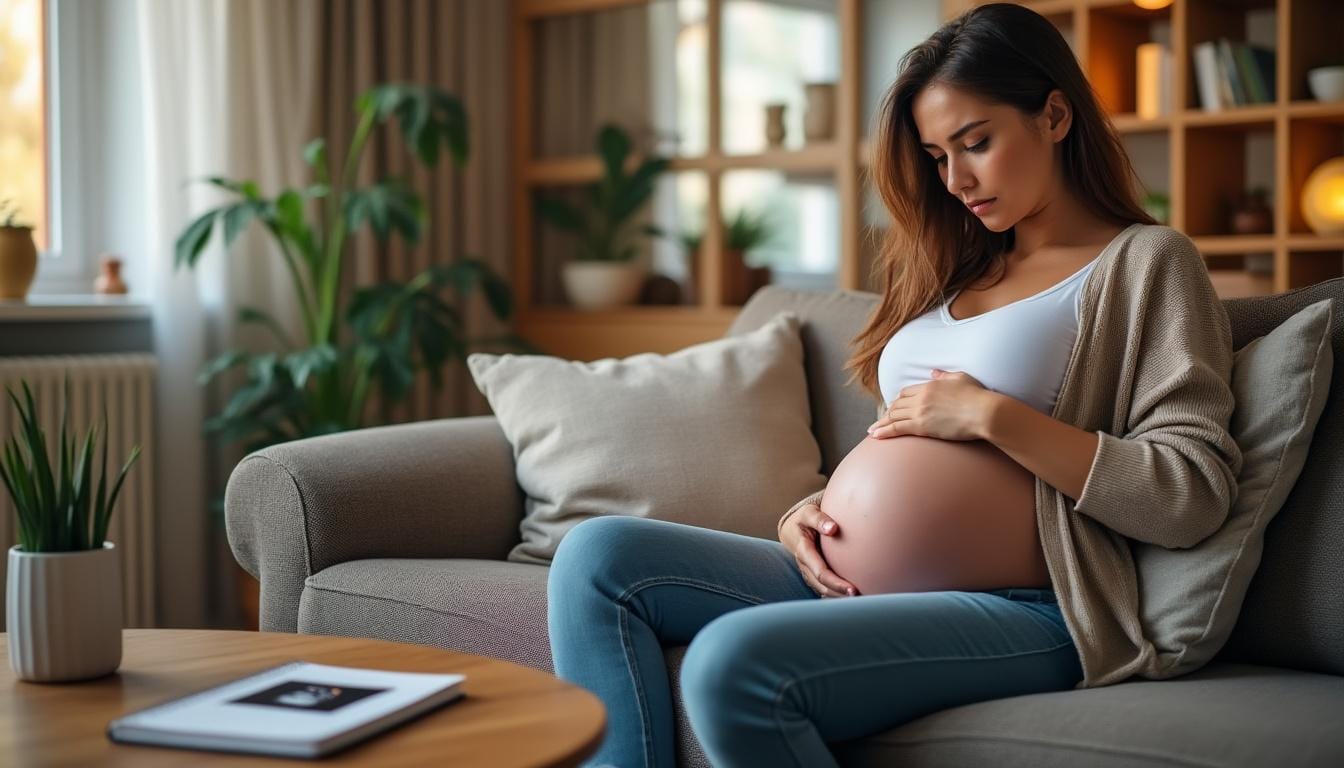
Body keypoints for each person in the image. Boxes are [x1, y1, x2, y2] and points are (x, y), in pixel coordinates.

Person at [546, 3, 1243, 767]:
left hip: (1029, 608)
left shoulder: (1146, 263)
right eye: (939, 156)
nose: (957, 180)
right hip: (845, 581)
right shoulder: (952, 271)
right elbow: (899, 446)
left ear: (1053, 115)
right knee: (596, 557)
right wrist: (808, 511)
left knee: (730, 664)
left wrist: (992, 416)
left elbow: (1191, 494)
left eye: (976, 143)